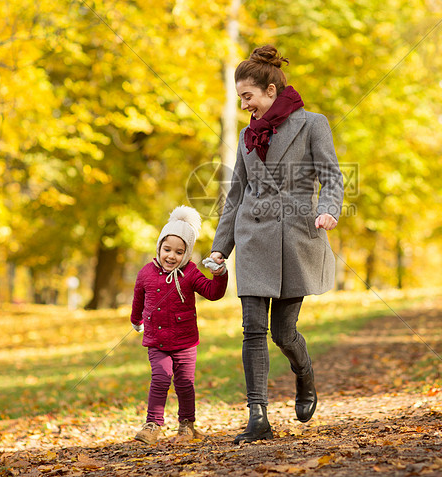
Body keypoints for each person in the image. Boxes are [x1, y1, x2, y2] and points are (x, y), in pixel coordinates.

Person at [210, 44, 344, 444]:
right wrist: (221, 248)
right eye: (239, 98)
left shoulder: (313, 124)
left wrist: (329, 209)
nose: (243, 105)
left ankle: (304, 374)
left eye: (247, 96)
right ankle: (257, 416)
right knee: (252, 329)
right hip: (253, 238)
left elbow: (332, 176)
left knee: (283, 333)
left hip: (295, 237)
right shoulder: (246, 135)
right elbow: (237, 193)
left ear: (270, 91)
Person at [131, 205, 228, 445]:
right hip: (157, 341)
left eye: (178, 251)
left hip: (185, 341)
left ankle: (187, 424)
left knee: (184, 383)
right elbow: (138, 298)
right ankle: (152, 424)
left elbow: (213, 293)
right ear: (159, 248)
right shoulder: (146, 273)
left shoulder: (191, 273)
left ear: (186, 253)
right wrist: (136, 320)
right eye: (167, 249)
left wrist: (220, 275)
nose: (171, 256)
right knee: (161, 377)